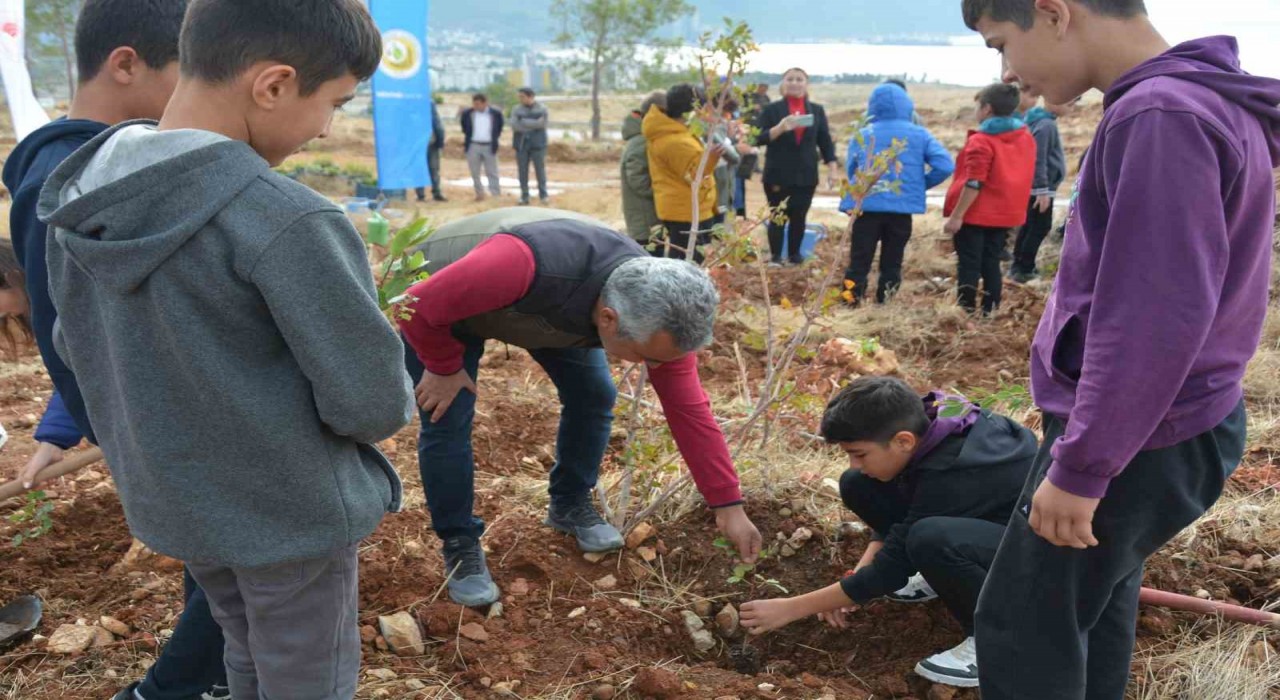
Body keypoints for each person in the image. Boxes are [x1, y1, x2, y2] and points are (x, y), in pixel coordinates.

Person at [38, 1, 415, 697]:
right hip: (288, 511)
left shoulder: (83, 196)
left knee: (242, 649)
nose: (328, 127)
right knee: (307, 676)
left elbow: (75, 345)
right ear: (272, 85)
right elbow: (369, 401)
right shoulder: (285, 219)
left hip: (178, 503)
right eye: (333, 102)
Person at [962, 1, 1280, 698]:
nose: (1008, 71)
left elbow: (1152, 316)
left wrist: (1083, 464)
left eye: (999, 44)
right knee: (1090, 613)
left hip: (1139, 431)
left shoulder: (1160, 118)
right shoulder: (1194, 101)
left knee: (1022, 624)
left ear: (1052, 12)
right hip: (1156, 421)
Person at [0, 3, 232, 700]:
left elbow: (84, 320)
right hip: (170, 425)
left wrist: (65, 424)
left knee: (221, 568)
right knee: (235, 573)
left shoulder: (75, 170)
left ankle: (213, 681)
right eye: (187, 78)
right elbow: (86, 329)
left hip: (161, 422)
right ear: (126, 64)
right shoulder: (80, 182)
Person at [398, 207, 763, 607]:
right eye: (647, 358)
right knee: (447, 413)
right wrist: (443, 365)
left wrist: (727, 505)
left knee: (594, 394)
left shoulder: (659, 322)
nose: (657, 369)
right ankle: (459, 544)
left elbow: (690, 412)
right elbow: (416, 303)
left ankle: (569, 504)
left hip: (538, 306)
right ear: (609, 319)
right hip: (437, 296)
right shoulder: (517, 264)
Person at [738, 377, 1036, 688]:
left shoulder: (955, 469)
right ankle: (942, 572)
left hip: (1037, 554)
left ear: (904, 441)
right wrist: (858, 575)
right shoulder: (934, 419)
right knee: (857, 484)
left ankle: (996, 640)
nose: (855, 463)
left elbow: (891, 569)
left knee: (930, 538)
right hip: (979, 524)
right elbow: (904, 519)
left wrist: (790, 609)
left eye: (860, 454)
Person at [839, 82, 954, 305]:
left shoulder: (864, 133)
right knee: (892, 262)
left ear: (873, 107)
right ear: (907, 106)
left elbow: (852, 169)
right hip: (901, 211)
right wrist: (918, 186)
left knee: (859, 260)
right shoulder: (920, 134)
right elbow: (945, 165)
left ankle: (850, 304)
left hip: (867, 209)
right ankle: (885, 304)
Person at [942, 83, 1035, 315]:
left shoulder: (981, 141)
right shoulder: (1025, 137)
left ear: (987, 109)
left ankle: (965, 312)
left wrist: (956, 216)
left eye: (978, 106)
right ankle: (990, 311)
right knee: (991, 262)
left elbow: (974, 182)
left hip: (976, 214)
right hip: (1005, 214)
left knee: (969, 264)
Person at [754, 68, 839, 265]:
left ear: (806, 83)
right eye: (790, 79)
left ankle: (794, 255)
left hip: (806, 174)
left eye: (799, 79)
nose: (794, 82)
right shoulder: (772, 110)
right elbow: (758, 138)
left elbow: (825, 142)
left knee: (799, 215)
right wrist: (780, 128)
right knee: (777, 215)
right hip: (777, 173)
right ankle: (775, 256)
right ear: (783, 83)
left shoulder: (816, 110)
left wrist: (833, 169)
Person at [643, 83, 724, 263]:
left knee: (691, 259)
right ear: (693, 111)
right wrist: (711, 158)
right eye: (703, 109)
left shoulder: (678, 134)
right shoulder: (675, 141)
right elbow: (693, 176)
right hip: (686, 212)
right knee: (688, 262)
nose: (706, 114)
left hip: (691, 209)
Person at [1009, 93, 1069, 282]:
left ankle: (1019, 264)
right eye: (1070, 103)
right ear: (1053, 100)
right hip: (1041, 189)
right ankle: (1024, 268)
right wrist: (1042, 189)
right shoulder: (1046, 125)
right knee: (1039, 227)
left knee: (1030, 226)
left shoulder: (1041, 121)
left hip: (1037, 187)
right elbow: (1038, 157)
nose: (1071, 108)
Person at [621, 91, 666, 245]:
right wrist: (662, 191)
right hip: (645, 220)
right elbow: (637, 179)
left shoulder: (642, 139)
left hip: (646, 217)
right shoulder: (641, 142)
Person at [461, 92, 504, 200]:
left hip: (489, 145)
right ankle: (479, 193)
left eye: (478, 104)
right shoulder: (467, 113)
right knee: (474, 171)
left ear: (485, 103)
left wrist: (493, 139)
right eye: (474, 104)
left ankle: (495, 193)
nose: (476, 106)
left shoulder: (495, 114)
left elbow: (499, 128)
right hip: (473, 145)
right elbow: (464, 128)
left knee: (492, 171)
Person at [512, 87, 550, 206]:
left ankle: (543, 195)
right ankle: (524, 195)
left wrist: (524, 121)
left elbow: (542, 124)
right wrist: (534, 123)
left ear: (530, 96)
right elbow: (515, 126)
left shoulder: (542, 108)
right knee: (522, 171)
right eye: (519, 97)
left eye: (522, 96)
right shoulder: (516, 109)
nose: (520, 99)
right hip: (521, 144)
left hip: (538, 144)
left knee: (540, 170)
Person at [414, 99, 447, 203]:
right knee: (431, 169)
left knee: (427, 169)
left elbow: (437, 123)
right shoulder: (427, 102)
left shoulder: (426, 102)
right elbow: (437, 123)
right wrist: (440, 141)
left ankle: (422, 195)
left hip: (428, 143)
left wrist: (440, 140)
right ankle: (433, 193)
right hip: (422, 143)